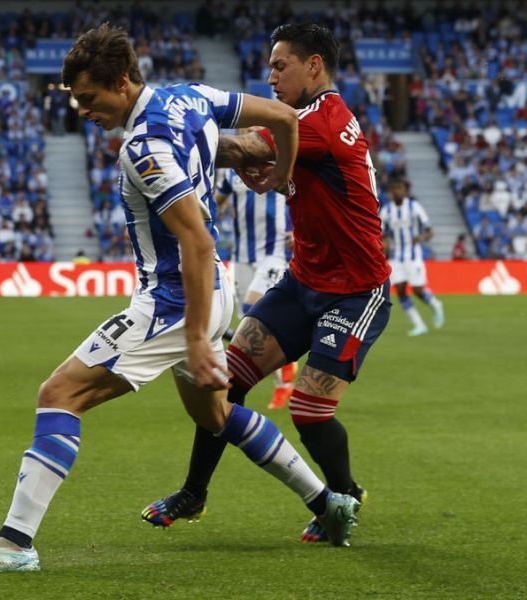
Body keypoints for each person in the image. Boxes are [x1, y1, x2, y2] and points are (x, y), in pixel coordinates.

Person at [0, 23, 359, 574]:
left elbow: (196, 239)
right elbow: (282, 118)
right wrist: (281, 176)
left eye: (89, 98)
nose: (83, 111)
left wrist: (196, 341)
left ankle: (15, 543)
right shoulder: (190, 95)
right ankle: (327, 503)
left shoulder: (145, 148)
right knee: (217, 416)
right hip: (214, 290)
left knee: (59, 393)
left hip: (174, 300)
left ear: (120, 82)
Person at [142, 23, 392, 545]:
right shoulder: (305, 125)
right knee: (220, 382)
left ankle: (342, 499)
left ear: (314, 66)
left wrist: (168, 133)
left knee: (308, 409)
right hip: (303, 281)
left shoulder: (321, 120)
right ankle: (194, 493)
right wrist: (275, 170)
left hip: (355, 290)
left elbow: (240, 148)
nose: (271, 76)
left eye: (281, 66)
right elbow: (268, 159)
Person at [215, 166, 297, 409]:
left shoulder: (279, 167)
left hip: (274, 252)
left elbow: (303, 194)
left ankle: (284, 377)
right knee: (250, 327)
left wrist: (299, 230)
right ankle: (283, 379)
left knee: (254, 306)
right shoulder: (232, 174)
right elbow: (215, 205)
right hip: (241, 255)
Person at [379, 178, 445, 336]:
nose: (397, 192)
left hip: (413, 255)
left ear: (404, 190)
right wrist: (385, 243)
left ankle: (436, 304)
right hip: (396, 257)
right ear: (390, 193)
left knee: (417, 290)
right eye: (394, 189)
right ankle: (419, 324)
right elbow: (381, 233)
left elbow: (429, 230)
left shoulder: (414, 207)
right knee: (400, 290)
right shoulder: (386, 211)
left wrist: (421, 237)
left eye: (399, 188)